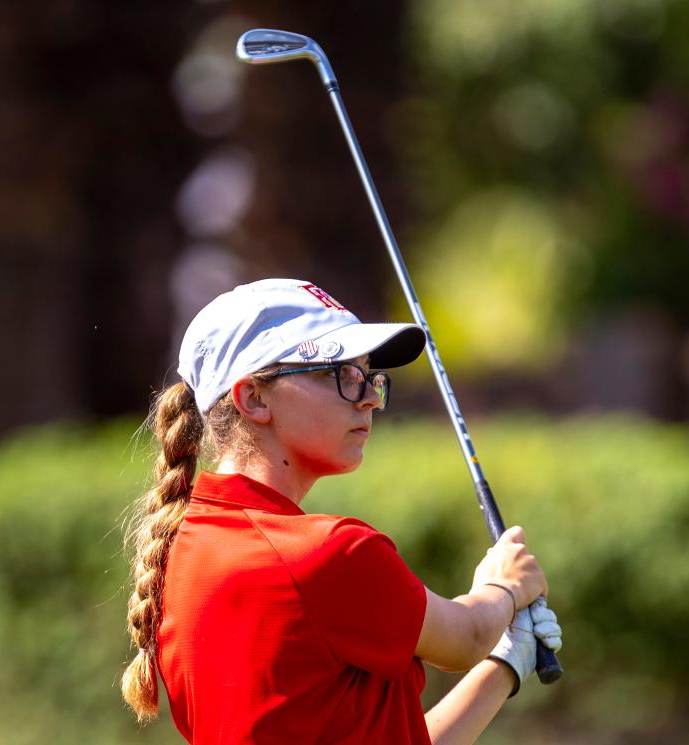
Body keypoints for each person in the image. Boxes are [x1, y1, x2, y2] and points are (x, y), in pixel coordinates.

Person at [121, 278, 562, 745]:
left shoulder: (183, 546)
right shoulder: (328, 553)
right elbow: (467, 637)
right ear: (253, 398)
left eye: (368, 376)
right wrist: (504, 584)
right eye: (340, 374)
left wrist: (506, 665)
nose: (370, 397)